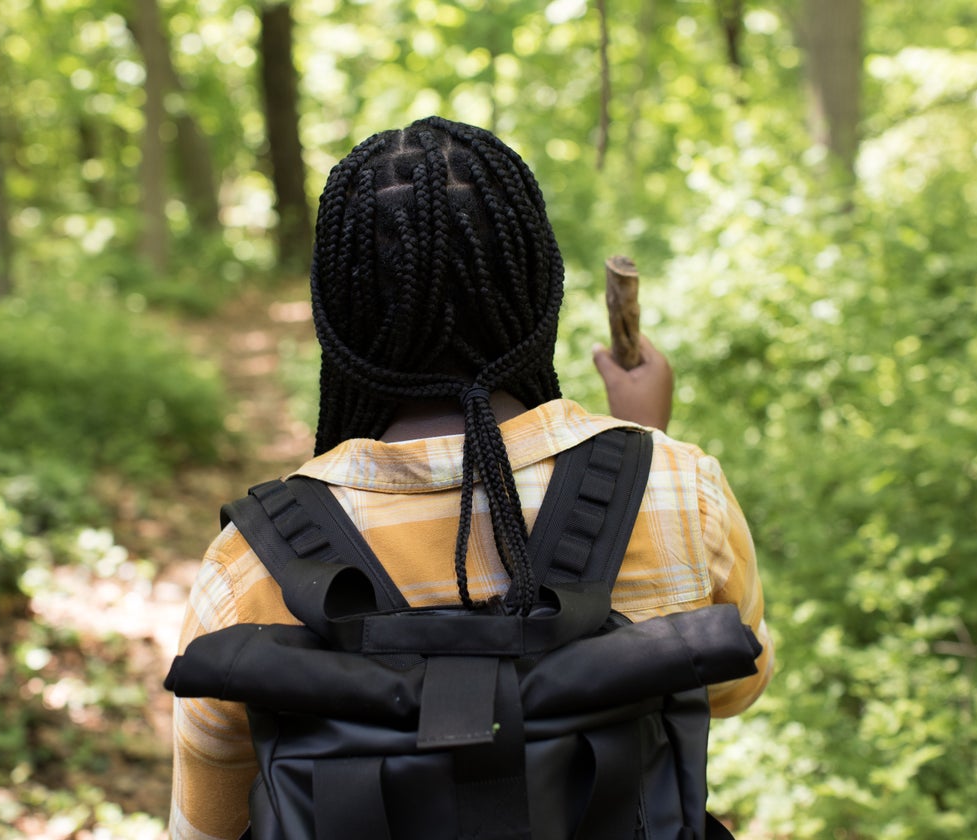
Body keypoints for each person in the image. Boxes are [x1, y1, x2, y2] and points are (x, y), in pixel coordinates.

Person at [168, 115, 773, 840]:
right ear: (536, 291)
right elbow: (733, 687)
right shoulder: (678, 489)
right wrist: (645, 446)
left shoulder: (249, 563)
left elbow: (205, 827)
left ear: (337, 319)